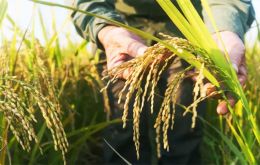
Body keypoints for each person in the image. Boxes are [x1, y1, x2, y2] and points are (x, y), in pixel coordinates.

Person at [71, 0, 255, 164]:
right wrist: (107, 29)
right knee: (123, 124)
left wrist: (224, 30)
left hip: (184, 27)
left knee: (184, 125)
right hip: (120, 25)